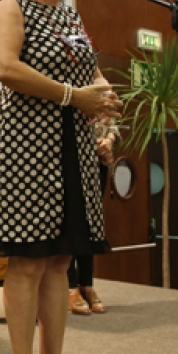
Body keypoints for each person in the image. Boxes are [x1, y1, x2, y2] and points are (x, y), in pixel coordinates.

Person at [0, 0, 122, 354]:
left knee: (61, 260)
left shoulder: (70, 17)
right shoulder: (11, 6)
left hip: (73, 146)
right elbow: (4, 67)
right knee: (28, 260)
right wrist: (72, 96)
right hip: (27, 146)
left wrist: (104, 98)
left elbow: (90, 73)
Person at [67, 118, 119, 316]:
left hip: (99, 161)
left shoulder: (102, 86)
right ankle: (70, 287)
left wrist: (109, 141)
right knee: (73, 222)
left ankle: (86, 284)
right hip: (72, 157)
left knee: (93, 222)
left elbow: (111, 119)